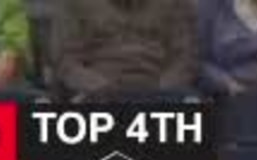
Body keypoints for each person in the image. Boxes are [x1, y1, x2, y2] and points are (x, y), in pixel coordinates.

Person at [50, 0, 192, 95]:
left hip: (157, 88)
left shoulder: (174, 4)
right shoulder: (76, 4)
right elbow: (64, 60)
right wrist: (97, 86)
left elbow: (185, 57)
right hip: (98, 91)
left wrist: (163, 89)